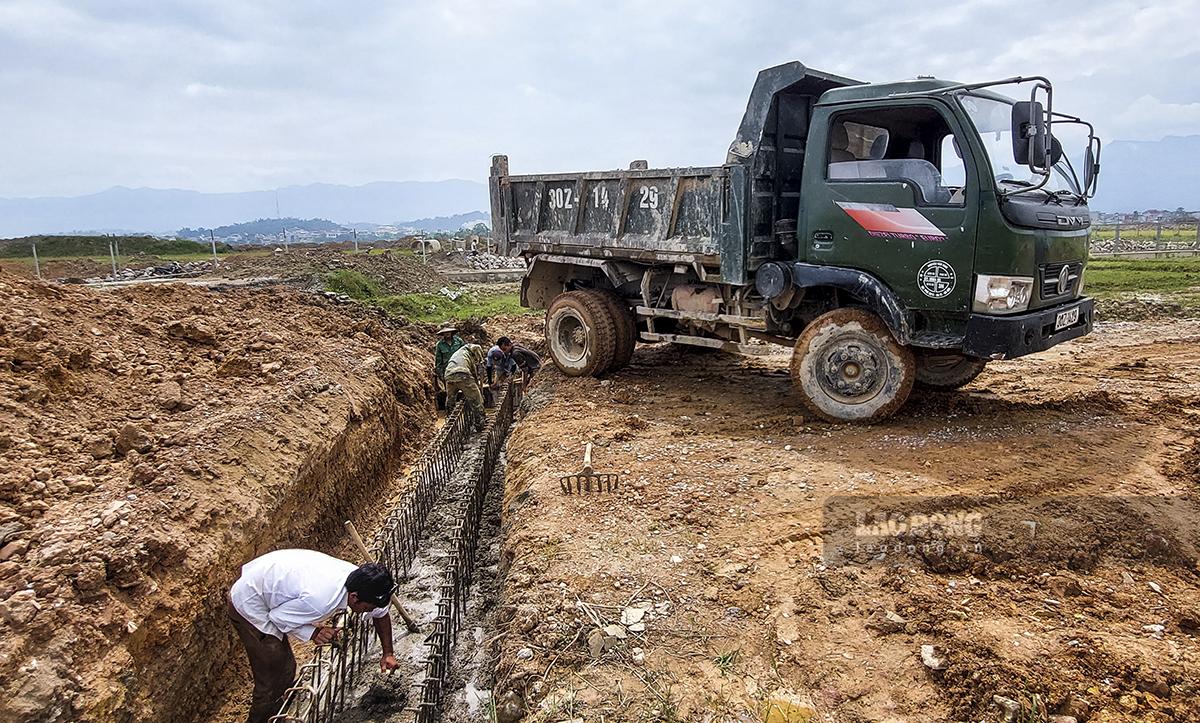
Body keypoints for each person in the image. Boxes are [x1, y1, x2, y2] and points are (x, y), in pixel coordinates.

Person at [227, 550, 399, 723]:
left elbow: (380, 614)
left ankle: (278, 710)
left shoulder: (362, 581)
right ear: (354, 598)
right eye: (368, 608)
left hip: (270, 580)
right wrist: (314, 632)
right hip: (250, 603)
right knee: (277, 671)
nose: (369, 611)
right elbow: (278, 618)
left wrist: (388, 653)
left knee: (285, 669)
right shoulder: (320, 602)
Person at [443, 342, 486, 431]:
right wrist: (477, 389)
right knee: (476, 399)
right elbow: (473, 373)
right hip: (462, 374)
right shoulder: (470, 352)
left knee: (451, 398)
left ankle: (449, 421)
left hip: (448, 375)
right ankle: (480, 422)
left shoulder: (459, 353)